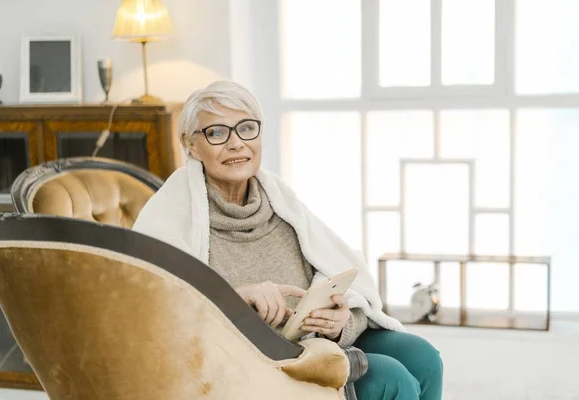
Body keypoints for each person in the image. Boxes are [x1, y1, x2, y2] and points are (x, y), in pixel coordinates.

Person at [133, 81, 443, 399]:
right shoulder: (173, 212)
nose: (236, 143)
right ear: (190, 144)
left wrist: (341, 319)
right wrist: (239, 297)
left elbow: (333, 267)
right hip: (255, 356)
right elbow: (162, 304)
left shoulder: (278, 197)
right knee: (390, 379)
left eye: (246, 128)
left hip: (316, 337)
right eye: (216, 133)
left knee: (423, 357)